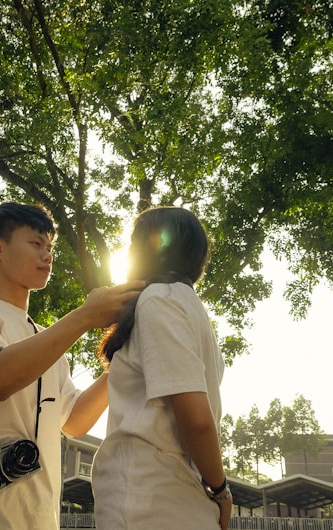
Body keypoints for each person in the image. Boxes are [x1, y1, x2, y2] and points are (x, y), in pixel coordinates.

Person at [0, 202, 143, 530]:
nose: (47, 256)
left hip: (37, 518)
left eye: (50, 248)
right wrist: (86, 316)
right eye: (36, 244)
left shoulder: (45, 342)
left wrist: (123, 359)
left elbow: (75, 421)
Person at [91, 206, 233, 530]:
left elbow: (197, 420)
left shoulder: (159, 299)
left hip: (149, 495)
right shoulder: (183, 303)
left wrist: (221, 490)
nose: (128, 251)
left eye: (134, 243)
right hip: (168, 492)